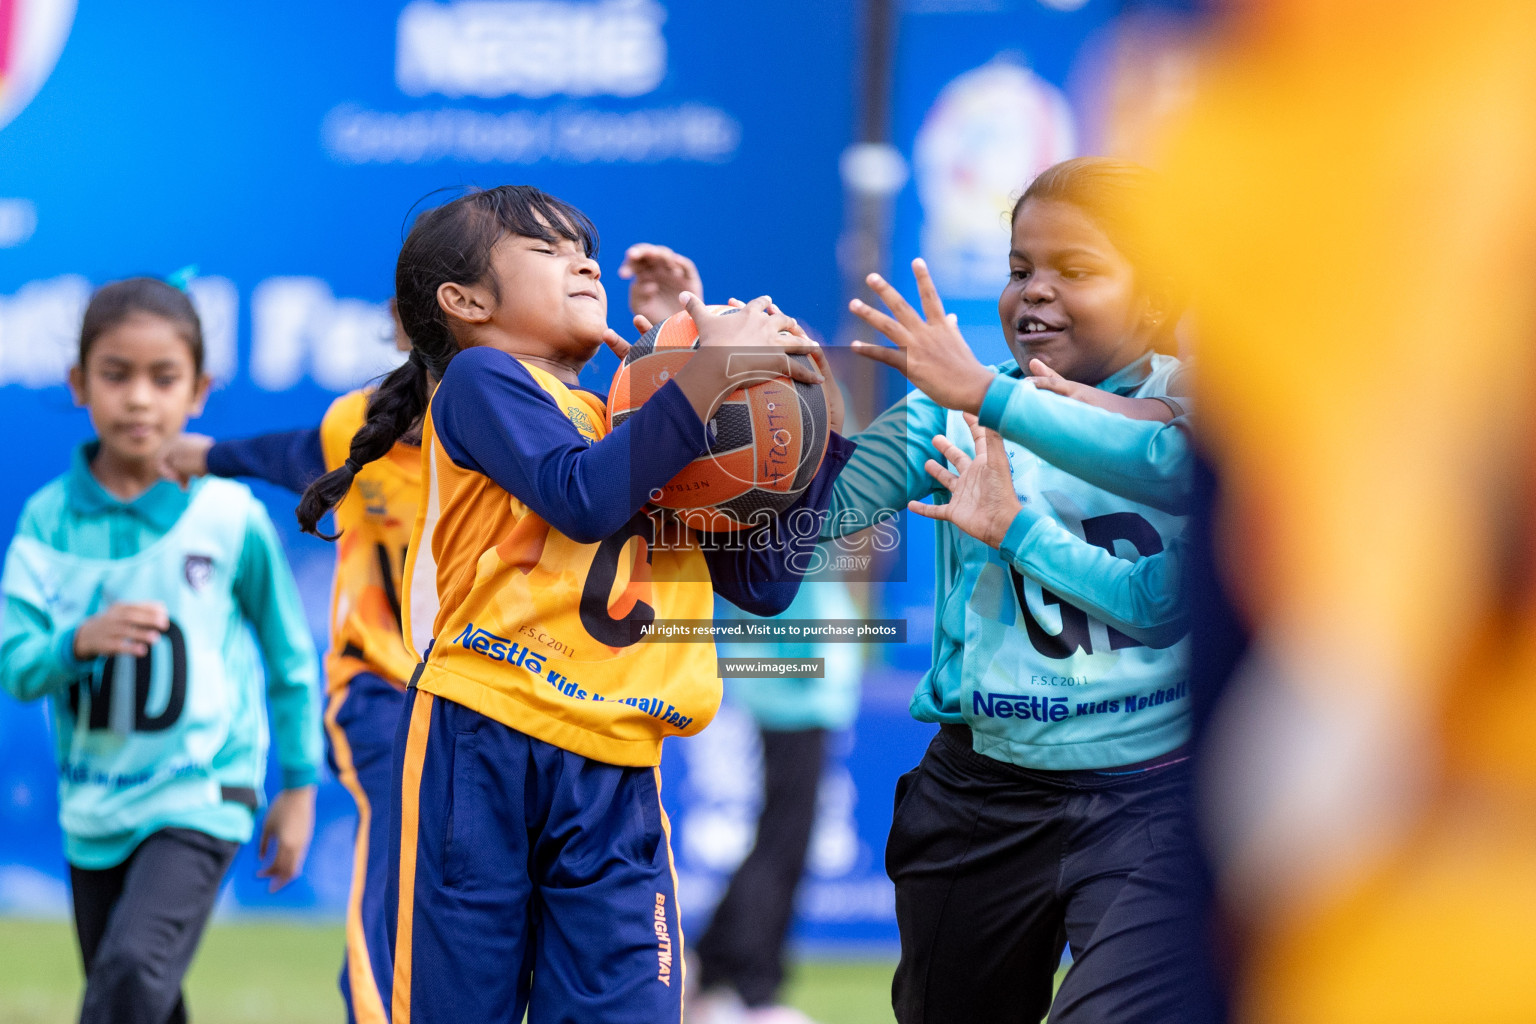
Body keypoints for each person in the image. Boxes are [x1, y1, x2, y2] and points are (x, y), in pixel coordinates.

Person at [294, 184, 855, 1024]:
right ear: (467, 303)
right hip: (485, 738)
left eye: (586, 248)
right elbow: (582, 494)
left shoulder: (629, 415)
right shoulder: (483, 381)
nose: (584, 260)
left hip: (618, 760)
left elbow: (764, 586)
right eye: (547, 251)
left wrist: (806, 423)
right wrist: (701, 374)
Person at [828, 156, 1196, 1024]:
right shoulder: (942, 409)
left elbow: (1159, 581)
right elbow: (827, 511)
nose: (1035, 293)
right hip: (979, 797)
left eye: (1076, 271)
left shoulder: (1198, 409)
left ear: (1152, 300)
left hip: (1157, 801)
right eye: (1021, 269)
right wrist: (715, 388)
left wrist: (989, 413)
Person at [0, 277, 322, 1024]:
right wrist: (77, 641)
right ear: (80, 384)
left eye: (163, 377)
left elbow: (288, 662)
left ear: (200, 391)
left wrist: (300, 786)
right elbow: (17, 663)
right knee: (142, 997)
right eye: (116, 375)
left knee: (132, 973)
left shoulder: (230, 517)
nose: (139, 398)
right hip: (95, 805)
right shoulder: (46, 521)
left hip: (203, 791)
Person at [157, 309, 419, 1024]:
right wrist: (205, 455)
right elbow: (292, 452)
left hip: (497, 698)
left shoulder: (540, 431)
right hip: (384, 691)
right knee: (405, 863)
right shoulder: (359, 426)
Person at [690, 582, 864, 1024]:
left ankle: (711, 967)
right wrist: (807, 670)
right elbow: (784, 608)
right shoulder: (791, 530)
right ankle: (754, 991)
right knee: (781, 849)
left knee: (778, 843)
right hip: (796, 703)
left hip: (796, 700)